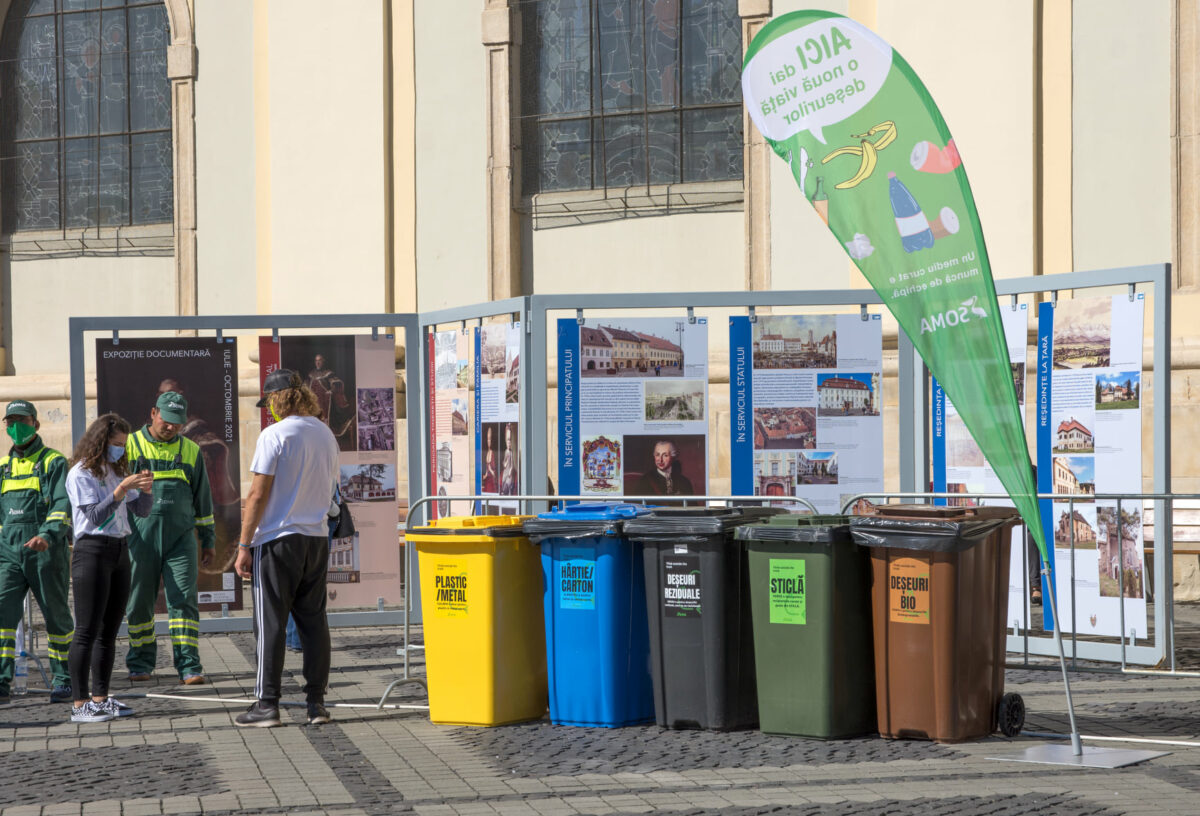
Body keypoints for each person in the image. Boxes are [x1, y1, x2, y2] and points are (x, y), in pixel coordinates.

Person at [233, 369, 339, 727]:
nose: (269, 410)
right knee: (314, 621)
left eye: (270, 403)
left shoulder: (274, 435)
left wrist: (244, 544)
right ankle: (316, 704)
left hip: (278, 539)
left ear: (279, 399)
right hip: (316, 537)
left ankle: (267, 703)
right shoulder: (325, 434)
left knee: (270, 622)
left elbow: (257, 494)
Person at [65, 414, 153, 722]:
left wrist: (146, 489)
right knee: (86, 630)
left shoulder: (116, 470)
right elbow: (94, 517)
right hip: (92, 551)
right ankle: (79, 704)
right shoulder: (81, 473)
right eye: (115, 444)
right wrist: (119, 492)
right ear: (101, 442)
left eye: (123, 446)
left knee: (109, 631)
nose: (119, 450)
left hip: (119, 550)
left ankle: (101, 698)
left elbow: (140, 511)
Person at [124, 391, 215, 684]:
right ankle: (140, 662)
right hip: (140, 538)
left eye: (177, 422)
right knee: (138, 601)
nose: (170, 427)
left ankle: (189, 666)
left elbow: (203, 499)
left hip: (181, 540)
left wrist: (208, 539)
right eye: (166, 420)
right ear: (153, 413)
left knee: (183, 600)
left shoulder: (191, 450)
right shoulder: (130, 445)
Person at [0, 400, 74, 704]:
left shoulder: (53, 462)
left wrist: (47, 535)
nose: (16, 426)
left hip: (45, 552)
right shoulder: (3, 467)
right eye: (11, 421)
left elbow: (61, 505)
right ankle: (2, 680)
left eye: (23, 420)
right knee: (3, 613)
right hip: (8, 553)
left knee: (56, 616)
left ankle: (64, 679)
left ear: (36, 424)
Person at [305, 354, 355, 449]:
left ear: (323, 361)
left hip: (326, 402)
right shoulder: (311, 374)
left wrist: (331, 390)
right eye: (316, 360)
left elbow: (336, 383)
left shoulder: (328, 373)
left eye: (320, 360)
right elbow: (307, 385)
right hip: (313, 402)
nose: (318, 362)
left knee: (325, 421)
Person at [631, 439, 695, 496]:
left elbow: (692, 507)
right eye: (657, 455)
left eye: (665, 455)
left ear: (673, 456)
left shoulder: (684, 482)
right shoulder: (645, 481)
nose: (660, 460)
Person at [499, 425, 517, 496]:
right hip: (506, 470)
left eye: (510, 440)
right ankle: (504, 492)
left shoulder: (512, 453)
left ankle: (508, 492)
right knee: (503, 481)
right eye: (507, 440)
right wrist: (504, 464)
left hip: (510, 471)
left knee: (509, 482)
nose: (509, 442)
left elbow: (512, 464)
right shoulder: (506, 451)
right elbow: (504, 461)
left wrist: (511, 470)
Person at [482, 426, 497, 493]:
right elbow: (486, 470)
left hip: (491, 481)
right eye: (488, 439)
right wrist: (485, 475)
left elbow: (494, 473)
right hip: (487, 479)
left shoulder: (493, 453)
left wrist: (490, 470)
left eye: (490, 439)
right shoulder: (487, 452)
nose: (489, 441)